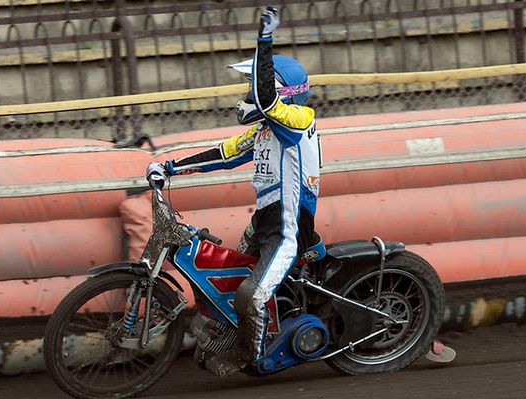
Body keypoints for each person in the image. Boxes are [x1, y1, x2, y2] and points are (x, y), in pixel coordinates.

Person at [146, 7, 455, 375]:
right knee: (229, 285)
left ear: (280, 92)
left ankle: (252, 358)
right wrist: (169, 168)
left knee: (252, 296)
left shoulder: (298, 121)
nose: (248, 93)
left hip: (289, 229)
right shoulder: (264, 131)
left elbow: (265, 101)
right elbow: (224, 155)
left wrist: (264, 41)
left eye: (254, 85)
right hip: (265, 223)